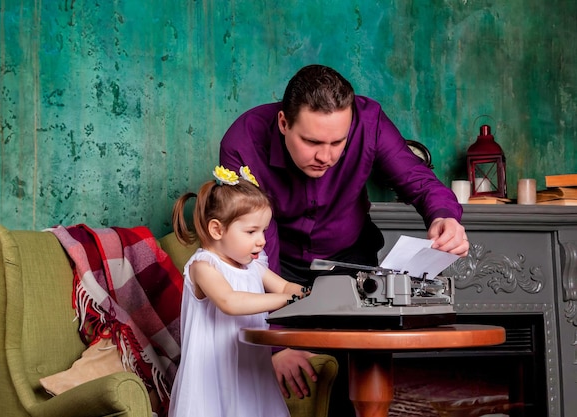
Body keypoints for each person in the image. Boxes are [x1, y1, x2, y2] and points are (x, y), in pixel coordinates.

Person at [219, 64, 470, 415]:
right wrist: (275, 343)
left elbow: (418, 180)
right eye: (312, 142)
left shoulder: (370, 122)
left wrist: (444, 217)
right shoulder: (243, 140)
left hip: (353, 264)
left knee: (354, 377)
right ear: (283, 123)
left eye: (338, 141)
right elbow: (255, 245)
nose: (327, 156)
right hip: (276, 267)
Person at [168, 165, 307, 417]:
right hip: (213, 377)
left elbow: (286, 286)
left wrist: (308, 293)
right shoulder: (204, 266)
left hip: (251, 370)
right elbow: (230, 302)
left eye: (263, 230)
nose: (262, 240)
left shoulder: (253, 265)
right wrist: (288, 298)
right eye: (251, 231)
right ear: (217, 230)